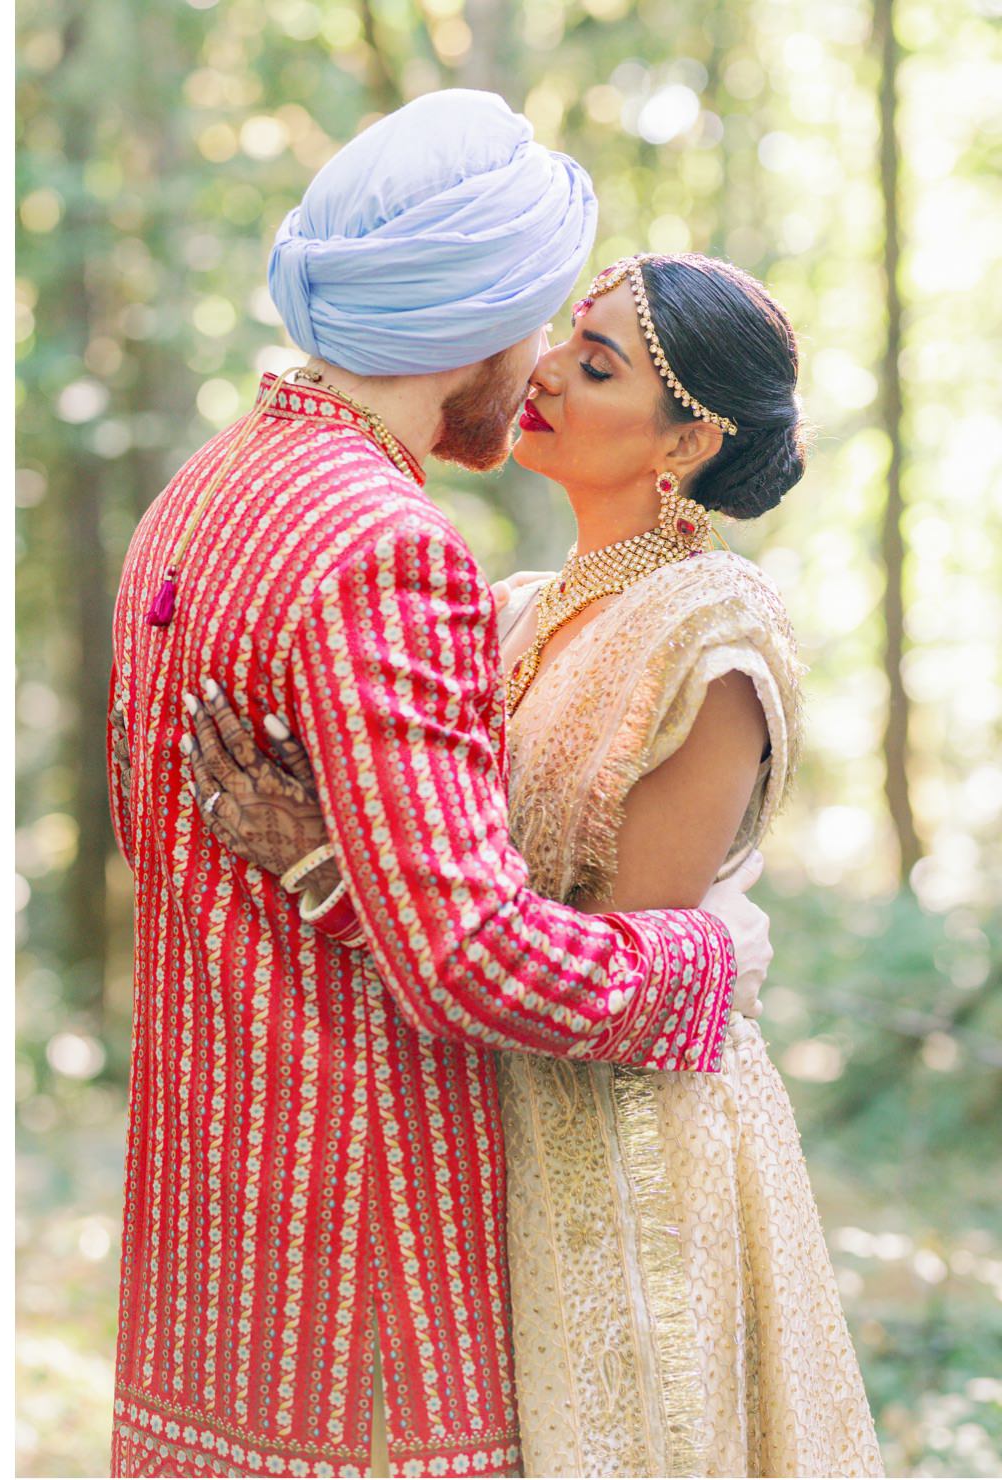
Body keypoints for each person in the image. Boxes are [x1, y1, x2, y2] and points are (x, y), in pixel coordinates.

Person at [103, 92, 773, 1477]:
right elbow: (467, 954)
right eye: (542, 328)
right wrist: (705, 967)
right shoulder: (384, 547)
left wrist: (322, 863)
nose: (535, 368)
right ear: (471, 320)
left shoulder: (204, 492)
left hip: (212, 1243)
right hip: (365, 1263)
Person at [189, 253, 882, 1476]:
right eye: (566, 336)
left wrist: (328, 870)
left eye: (597, 363)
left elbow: (610, 980)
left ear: (686, 444)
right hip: (482, 1127)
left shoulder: (707, 636)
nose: (543, 366)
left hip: (628, 1166)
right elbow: (452, 893)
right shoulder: (512, 609)